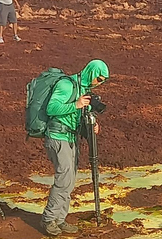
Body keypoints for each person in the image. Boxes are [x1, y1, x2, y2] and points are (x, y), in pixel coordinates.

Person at [42, 59, 109, 237]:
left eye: (103, 80)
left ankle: (60, 219)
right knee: (64, 178)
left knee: (70, 180)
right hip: (57, 136)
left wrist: (90, 128)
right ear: (92, 73)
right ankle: (49, 219)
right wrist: (77, 105)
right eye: (99, 78)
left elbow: (75, 118)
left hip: (71, 137)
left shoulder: (83, 89)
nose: (99, 83)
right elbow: (51, 108)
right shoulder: (66, 84)